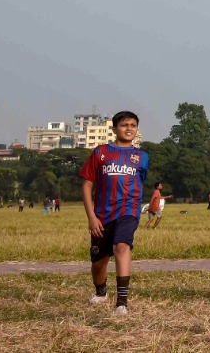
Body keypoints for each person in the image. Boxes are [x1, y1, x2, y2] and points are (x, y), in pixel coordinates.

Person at [79, 111, 149, 315]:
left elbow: (138, 183)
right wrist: (91, 217)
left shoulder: (142, 157)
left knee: (121, 246)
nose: (129, 129)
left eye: (133, 125)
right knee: (99, 263)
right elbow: (86, 185)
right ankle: (101, 292)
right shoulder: (100, 152)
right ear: (114, 129)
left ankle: (122, 303)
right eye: (124, 125)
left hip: (128, 211)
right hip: (101, 214)